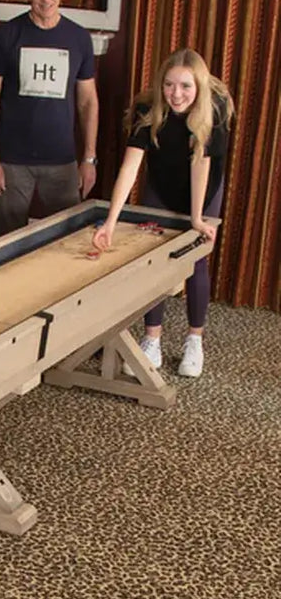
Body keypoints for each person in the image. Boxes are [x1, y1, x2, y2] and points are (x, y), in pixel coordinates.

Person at [92, 48, 234, 378]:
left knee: (196, 257)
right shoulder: (147, 109)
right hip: (161, 183)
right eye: (169, 85)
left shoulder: (215, 109)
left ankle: (194, 340)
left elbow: (200, 165)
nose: (176, 94)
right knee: (155, 259)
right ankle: (152, 339)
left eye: (185, 86)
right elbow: (130, 168)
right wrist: (111, 222)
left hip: (204, 187)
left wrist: (196, 219)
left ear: (198, 86)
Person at [0, 0, 100, 235]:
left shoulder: (79, 38)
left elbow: (88, 102)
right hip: (11, 161)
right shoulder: (4, 36)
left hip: (62, 160)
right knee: (7, 242)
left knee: (67, 241)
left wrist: (89, 159)